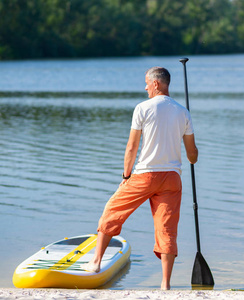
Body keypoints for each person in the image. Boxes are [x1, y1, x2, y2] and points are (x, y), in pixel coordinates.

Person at [81, 66, 198, 290]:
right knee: (166, 229)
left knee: (112, 211)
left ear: (156, 83)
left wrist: (126, 175)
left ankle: (96, 262)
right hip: (172, 178)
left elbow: (132, 147)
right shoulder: (183, 112)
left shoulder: (143, 108)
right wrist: (193, 157)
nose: (145, 87)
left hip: (146, 174)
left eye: (147, 83)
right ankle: (165, 285)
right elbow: (192, 155)